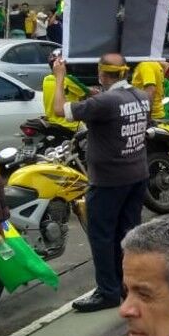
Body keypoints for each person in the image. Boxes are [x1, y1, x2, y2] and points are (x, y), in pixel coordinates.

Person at [52, 54, 151, 313]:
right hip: (136, 175)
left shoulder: (104, 101)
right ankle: (127, 284)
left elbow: (59, 110)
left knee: (101, 237)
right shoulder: (141, 96)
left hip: (108, 181)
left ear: (102, 73)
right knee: (127, 235)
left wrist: (60, 76)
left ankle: (107, 291)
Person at [41, 49, 89, 133]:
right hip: (70, 124)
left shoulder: (46, 79)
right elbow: (87, 92)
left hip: (51, 121)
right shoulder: (69, 79)